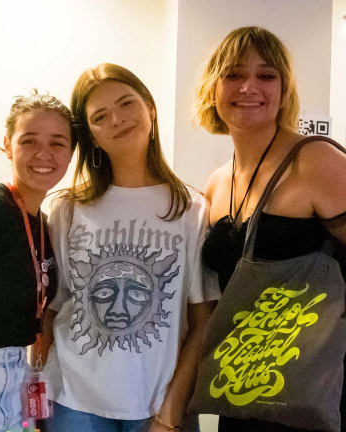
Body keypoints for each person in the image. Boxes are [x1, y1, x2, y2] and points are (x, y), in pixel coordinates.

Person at [42, 64, 219, 432]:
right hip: (72, 401)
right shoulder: (67, 209)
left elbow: (203, 324)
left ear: (150, 108)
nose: (118, 120)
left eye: (126, 104)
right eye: (100, 117)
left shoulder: (192, 209)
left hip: (154, 406)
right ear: (89, 135)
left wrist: (171, 413)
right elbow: (50, 308)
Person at [195, 26, 346, 432]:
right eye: (233, 74)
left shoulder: (315, 161)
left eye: (266, 75)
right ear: (214, 87)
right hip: (234, 385)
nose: (249, 87)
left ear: (284, 89)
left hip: (304, 390)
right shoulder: (216, 181)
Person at [0, 91, 75, 431]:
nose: (43, 154)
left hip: (15, 371)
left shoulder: (43, 222)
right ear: (7, 145)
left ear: (71, 153)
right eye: (29, 141)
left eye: (58, 143)